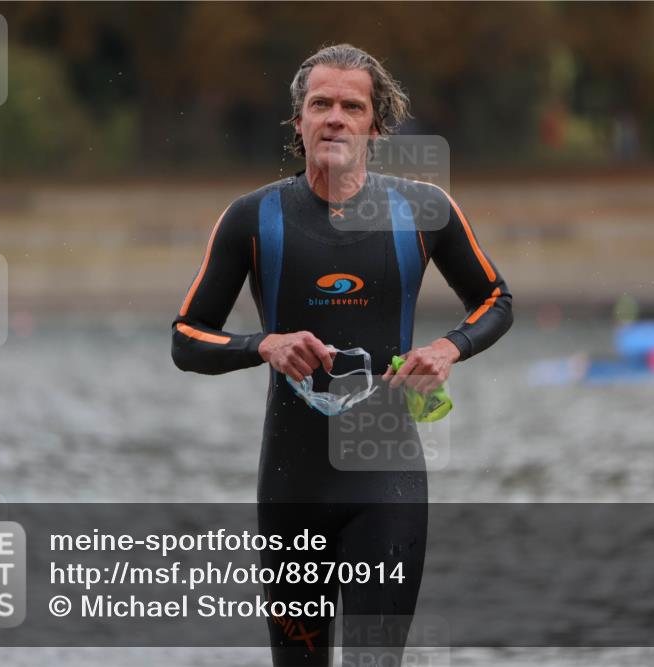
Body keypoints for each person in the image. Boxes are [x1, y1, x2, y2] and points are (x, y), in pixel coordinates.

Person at [172, 43, 512, 666]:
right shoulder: (252, 218)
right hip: (291, 486)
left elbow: (496, 300)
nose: (335, 117)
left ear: (375, 125)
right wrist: (262, 344)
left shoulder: (424, 210)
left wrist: (448, 348)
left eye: (351, 106)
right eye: (320, 103)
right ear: (296, 121)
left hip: (386, 486)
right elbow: (186, 338)